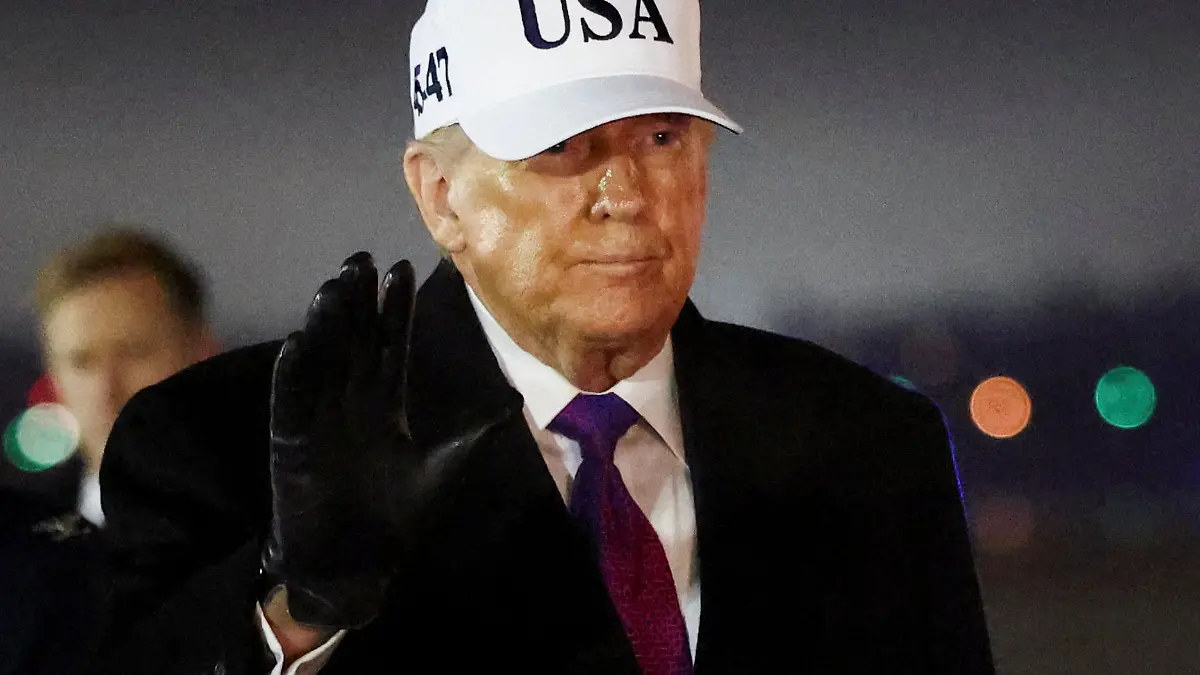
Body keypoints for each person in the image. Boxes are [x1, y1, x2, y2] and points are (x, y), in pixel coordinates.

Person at [94, 1, 995, 673]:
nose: (625, 194)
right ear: (440, 194)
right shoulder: (216, 444)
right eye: (560, 146)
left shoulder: (873, 446)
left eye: (661, 136)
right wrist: (298, 613)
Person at [0, 226, 216, 675]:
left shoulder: (275, 540)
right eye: (82, 361)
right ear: (54, 376)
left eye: (133, 352)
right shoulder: (15, 548)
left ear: (203, 353)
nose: (107, 390)